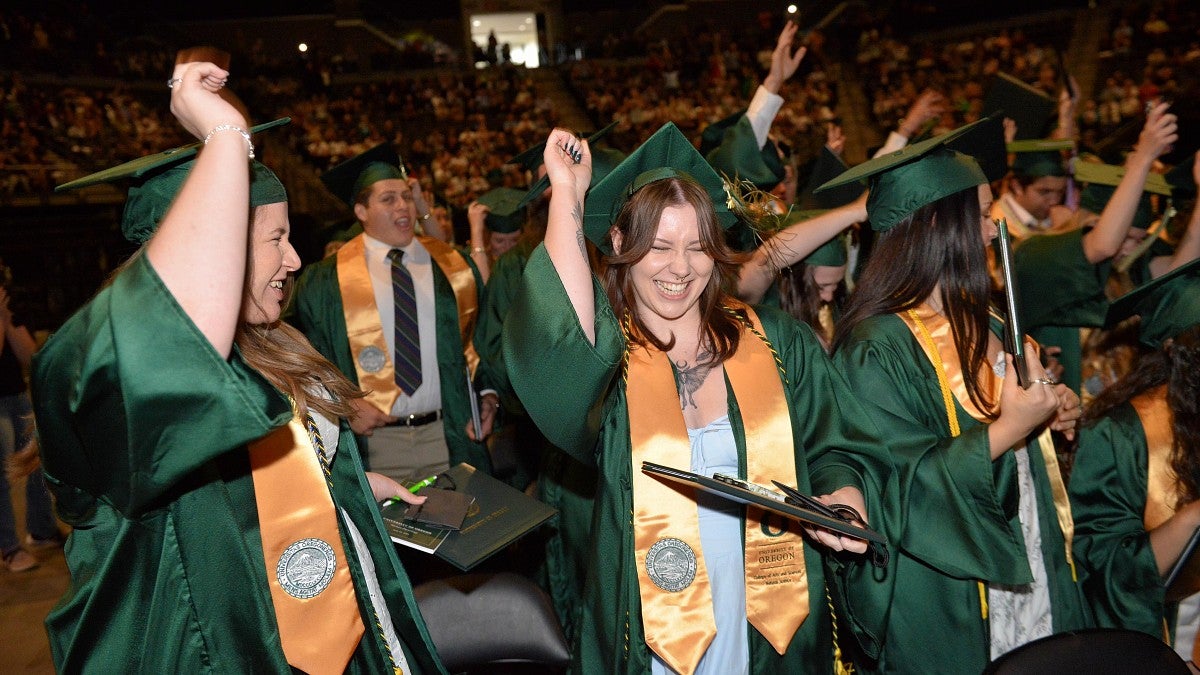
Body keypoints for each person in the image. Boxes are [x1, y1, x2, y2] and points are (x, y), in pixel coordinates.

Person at [31, 64, 444, 673]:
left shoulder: (272, 343)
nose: (296, 258)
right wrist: (225, 136)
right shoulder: (115, 389)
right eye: (275, 239)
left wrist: (349, 490)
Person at [503, 122, 892, 673]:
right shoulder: (608, 368)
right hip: (650, 630)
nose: (680, 269)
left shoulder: (777, 342)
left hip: (765, 618)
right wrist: (568, 191)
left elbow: (836, 444)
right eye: (658, 247)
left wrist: (842, 494)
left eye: (697, 247)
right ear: (619, 245)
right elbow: (555, 337)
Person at [828, 118, 1092, 672]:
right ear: (934, 226)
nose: (992, 228)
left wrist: (1050, 411)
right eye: (979, 214)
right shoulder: (877, 346)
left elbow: (1019, 430)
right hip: (950, 586)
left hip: (1028, 551)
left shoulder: (991, 318)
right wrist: (1009, 430)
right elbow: (894, 489)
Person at [289, 143, 499, 486]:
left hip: (447, 434)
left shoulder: (452, 267)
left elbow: (481, 338)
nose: (403, 206)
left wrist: (488, 395)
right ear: (361, 210)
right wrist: (341, 405)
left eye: (406, 196)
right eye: (388, 199)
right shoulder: (326, 282)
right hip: (375, 446)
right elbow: (307, 360)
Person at [1068, 260, 1200, 664]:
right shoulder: (1118, 433)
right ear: (1176, 349)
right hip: (1156, 637)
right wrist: (1191, 518)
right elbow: (1105, 574)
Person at [0, 284, 60, 573]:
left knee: (36, 461)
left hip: (16, 395)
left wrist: (6, 318)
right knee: (2, 476)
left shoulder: (10, 305)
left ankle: (41, 529)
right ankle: (9, 547)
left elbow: (31, 358)